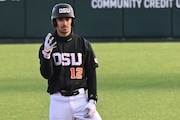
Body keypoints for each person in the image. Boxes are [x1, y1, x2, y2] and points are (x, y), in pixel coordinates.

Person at [39, 3, 102, 120]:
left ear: (72, 21)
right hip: (58, 102)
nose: (64, 23)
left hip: (80, 100)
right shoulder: (48, 45)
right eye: (60, 19)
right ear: (55, 22)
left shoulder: (83, 44)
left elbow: (91, 72)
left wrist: (92, 99)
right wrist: (46, 56)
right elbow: (46, 74)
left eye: (67, 19)